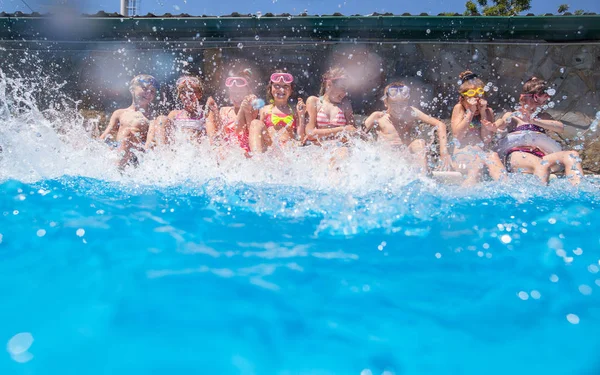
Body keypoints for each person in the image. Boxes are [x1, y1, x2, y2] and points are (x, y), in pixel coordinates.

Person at [494, 77, 584, 185]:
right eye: (537, 101)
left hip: (542, 155)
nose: (540, 105)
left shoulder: (543, 116)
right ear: (523, 98)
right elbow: (502, 123)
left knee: (572, 155)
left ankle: (578, 192)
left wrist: (534, 121)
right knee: (541, 164)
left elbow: (560, 127)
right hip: (519, 155)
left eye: (544, 102)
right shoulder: (513, 116)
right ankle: (539, 201)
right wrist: (493, 126)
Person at [364, 81, 452, 173]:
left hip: (404, 156)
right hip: (386, 159)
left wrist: (444, 152)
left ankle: (423, 178)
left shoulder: (410, 112)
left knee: (420, 143)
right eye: (394, 104)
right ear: (386, 102)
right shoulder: (378, 117)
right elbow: (358, 135)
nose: (399, 108)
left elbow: (440, 125)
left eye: (402, 104)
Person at [450, 70, 507, 186]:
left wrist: (483, 113)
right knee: (477, 163)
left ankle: (507, 190)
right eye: (471, 101)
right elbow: (458, 136)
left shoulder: (487, 111)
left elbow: (486, 139)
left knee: (494, 156)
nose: (475, 104)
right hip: (463, 154)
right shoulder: (459, 108)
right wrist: (470, 113)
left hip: (482, 154)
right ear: (462, 99)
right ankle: (463, 196)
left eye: (478, 99)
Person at [99, 74, 158, 169]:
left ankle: (117, 170)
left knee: (127, 133)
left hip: (136, 155)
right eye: (144, 88)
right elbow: (106, 135)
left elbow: (149, 142)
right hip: (119, 150)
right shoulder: (119, 113)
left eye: (152, 91)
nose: (149, 93)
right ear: (132, 90)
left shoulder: (152, 116)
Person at [145, 75, 218, 148]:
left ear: (199, 94)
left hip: (196, 148)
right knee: (161, 119)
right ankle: (163, 153)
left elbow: (212, 137)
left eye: (190, 91)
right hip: (178, 149)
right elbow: (166, 131)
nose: (187, 95)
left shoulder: (205, 114)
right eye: (183, 92)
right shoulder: (174, 114)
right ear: (179, 96)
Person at [248, 71, 306, 153]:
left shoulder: (295, 111)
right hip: (271, 147)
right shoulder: (264, 110)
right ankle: (257, 159)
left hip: (287, 150)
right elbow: (257, 133)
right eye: (277, 86)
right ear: (271, 89)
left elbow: (300, 139)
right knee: (255, 123)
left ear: (291, 90)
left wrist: (301, 115)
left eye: (285, 86)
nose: (281, 89)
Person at [304, 67, 358, 146]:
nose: (345, 93)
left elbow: (352, 132)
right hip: (319, 149)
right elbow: (310, 133)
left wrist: (320, 134)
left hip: (339, 148)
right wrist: (342, 129)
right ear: (329, 84)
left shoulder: (345, 104)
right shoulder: (314, 101)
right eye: (343, 88)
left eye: (346, 90)